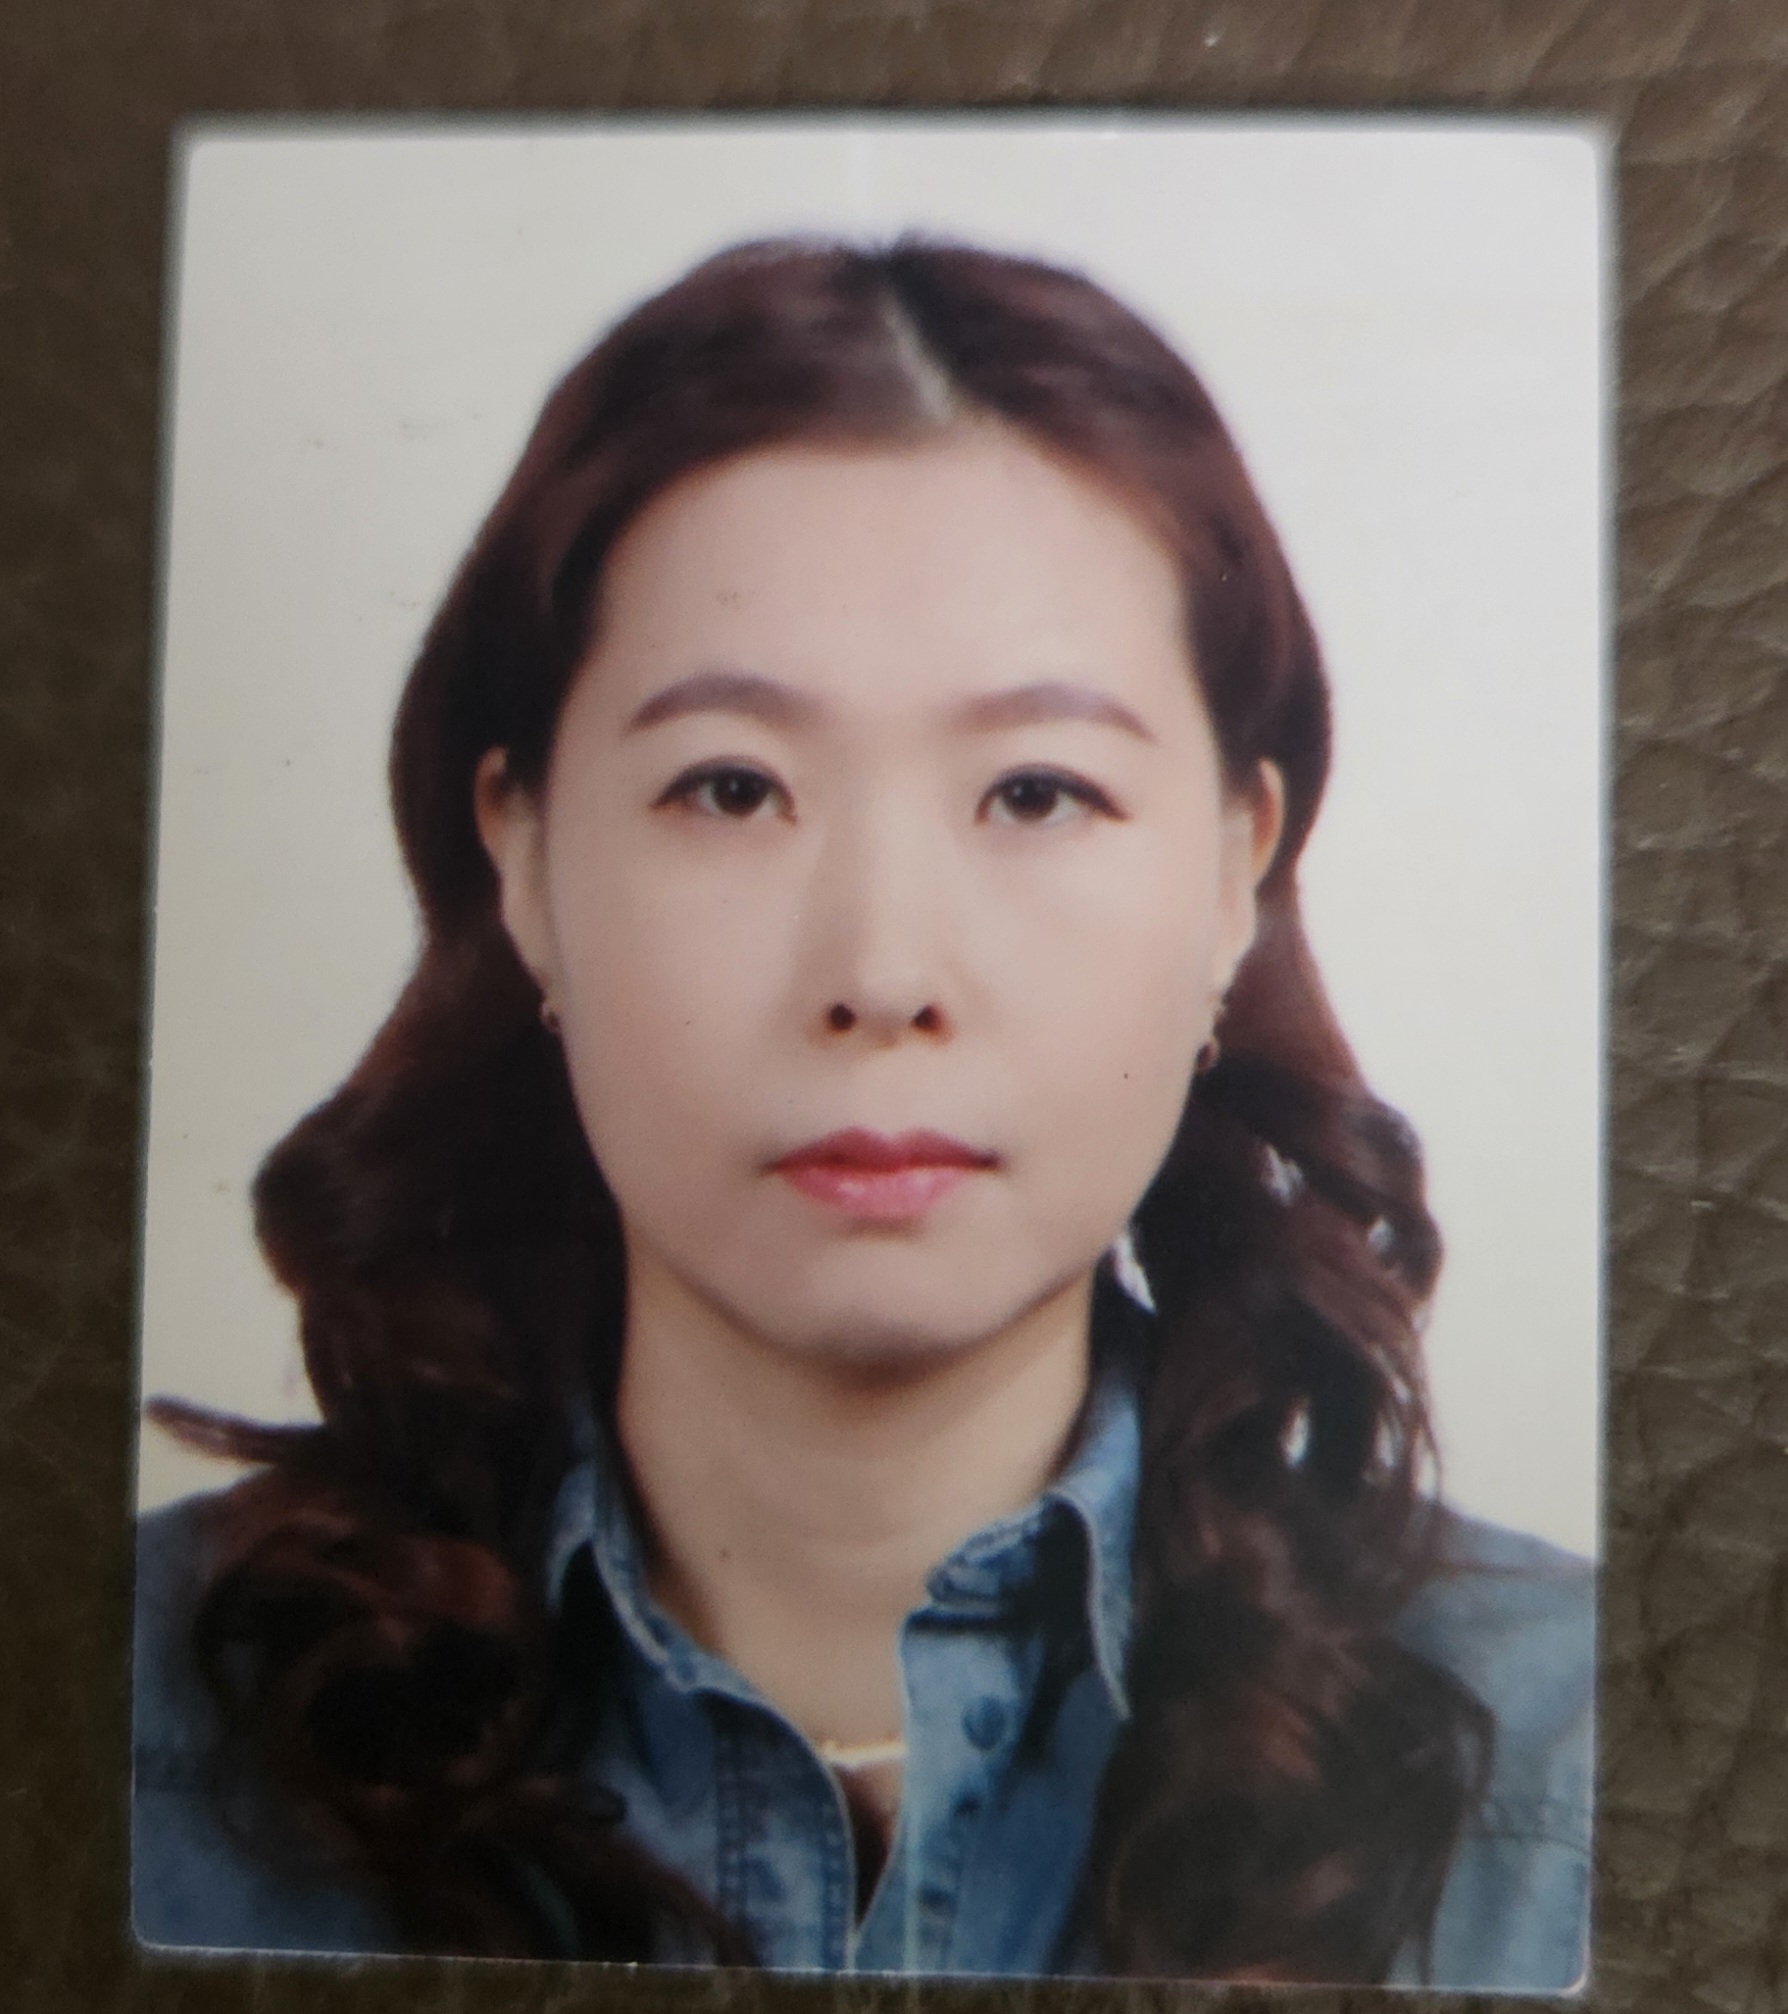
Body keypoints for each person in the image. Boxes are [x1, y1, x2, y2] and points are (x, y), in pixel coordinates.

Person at [133, 235, 1592, 1987]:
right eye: (732, 787)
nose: (883, 971)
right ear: (521, 856)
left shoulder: (1579, 1756)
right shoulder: (122, 1704)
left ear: (1234, 871)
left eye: (1036, 792)